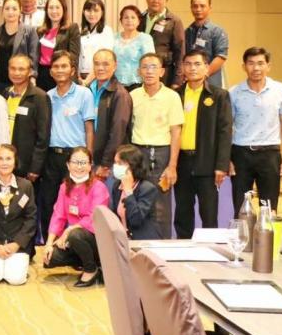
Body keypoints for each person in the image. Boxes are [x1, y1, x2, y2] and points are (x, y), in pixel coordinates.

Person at [174, 50, 232, 238]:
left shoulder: (219, 95)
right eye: (188, 64)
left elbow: (225, 132)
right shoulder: (175, 95)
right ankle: (183, 247)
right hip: (181, 162)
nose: (192, 68)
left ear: (207, 68)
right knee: (182, 213)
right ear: (183, 68)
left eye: (197, 64)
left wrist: (221, 165)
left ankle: (210, 249)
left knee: (208, 213)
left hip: (207, 163)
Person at [229, 47, 282, 213]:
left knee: (269, 208)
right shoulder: (234, 92)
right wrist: (227, 159)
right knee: (241, 209)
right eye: (251, 63)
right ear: (244, 66)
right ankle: (244, 231)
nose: (256, 68)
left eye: (260, 63)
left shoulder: (280, 89)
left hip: (270, 154)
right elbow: (227, 127)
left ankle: (267, 231)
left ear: (268, 66)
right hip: (241, 154)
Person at [40, 51, 96, 240]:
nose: (59, 70)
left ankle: (73, 243)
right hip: (51, 156)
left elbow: (89, 129)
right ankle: (50, 246)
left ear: (72, 70)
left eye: (64, 66)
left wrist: (88, 158)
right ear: (50, 72)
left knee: (76, 204)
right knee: (49, 203)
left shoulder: (84, 94)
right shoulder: (47, 96)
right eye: (55, 66)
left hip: (75, 158)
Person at [130, 53, 184, 239]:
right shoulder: (133, 96)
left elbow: (176, 132)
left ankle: (163, 247)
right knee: (136, 199)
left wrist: (172, 166)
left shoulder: (172, 96)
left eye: (153, 67)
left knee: (160, 205)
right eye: (145, 67)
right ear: (139, 71)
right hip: (137, 153)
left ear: (162, 71)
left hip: (160, 154)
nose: (149, 71)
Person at [43, 146, 109, 288]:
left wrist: (68, 231)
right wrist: (49, 244)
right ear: (68, 165)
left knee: (75, 235)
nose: (79, 167)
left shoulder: (99, 187)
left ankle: (91, 269)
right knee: (50, 258)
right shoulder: (64, 187)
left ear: (90, 166)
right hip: (74, 238)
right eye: (75, 162)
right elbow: (58, 215)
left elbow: (94, 217)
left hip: (95, 238)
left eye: (83, 162)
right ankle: (84, 261)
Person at [0, 144, 37, 284]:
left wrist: (17, 243)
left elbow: (31, 218)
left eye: (9, 158)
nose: (4, 163)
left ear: (15, 161)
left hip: (17, 244)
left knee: (15, 279)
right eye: (0, 158)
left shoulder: (26, 186)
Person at [5, 55, 50, 184]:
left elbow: (43, 136)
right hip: (4, 161)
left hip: (25, 166)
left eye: (21, 69)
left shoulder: (39, 97)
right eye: (13, 68)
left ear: (30, 72)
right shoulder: (5, 93)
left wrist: (35, 168)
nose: (16, 73)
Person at [90, 49, 132, 182]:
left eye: (105, 64)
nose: (100, 68)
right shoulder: (88, 90)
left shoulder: (120, 94)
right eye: (97, 63)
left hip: (109, 163)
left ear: (115, 66)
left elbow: (117, 132)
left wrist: (105, 163)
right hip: (90, 158)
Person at [109, 145, 161, 240]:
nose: (115, 166)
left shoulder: (147, 189)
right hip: (122, 239)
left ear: (132, 165)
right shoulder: (117, 186)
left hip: (142, 240)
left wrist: (129, 191)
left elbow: (136, 219)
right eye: (115, 162)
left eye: (120, 163)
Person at [138, 0, 185, 88]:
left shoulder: (174, 21)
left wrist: (177, 80)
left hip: (165, 75)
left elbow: (180, 52)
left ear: (166, 0)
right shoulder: (139, 19)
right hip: (141, 74)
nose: (155, 0)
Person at [0, 0, 38, 93]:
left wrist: (32, 77)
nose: (10, 12)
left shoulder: (29, 31)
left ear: (20, 10)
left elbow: (33, 56)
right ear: (2, 11)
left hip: (21, 81)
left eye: (14, 9)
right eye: (7, 9)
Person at [36, 0, 81, 92]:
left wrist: (69, 74)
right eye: (51, 8)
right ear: (46, 10)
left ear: (63, 9)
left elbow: (74, 56)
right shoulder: (40, 31)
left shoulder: (72, 28)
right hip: (42, 76)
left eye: (57, 7)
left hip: (61, 73)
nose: (54, 11)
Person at [185, 0, 229, 88]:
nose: (198, 9)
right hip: (190, 83)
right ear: (191, 8)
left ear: (210, 8)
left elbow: (221, 57)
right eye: (195, 6)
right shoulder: (187, 31)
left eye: (202, 6)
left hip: (211, 82)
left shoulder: (217, 31)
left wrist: (204, 74)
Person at [114, 5, 155, 90]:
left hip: (137, 84)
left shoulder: (145, 38)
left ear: (139, 21)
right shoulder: (114, 37)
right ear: (121, 21)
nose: (129, 20)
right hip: (115, 84)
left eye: (133, 17)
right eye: (126, 17)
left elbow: (150, 62)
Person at [78, 0, 115, 84]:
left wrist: (87, 81)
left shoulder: (107, 31)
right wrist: (78, 78)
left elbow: (104, 58)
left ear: (102, 12)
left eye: (96, 10)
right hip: (79, 77)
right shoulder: (79, 30)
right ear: (83, 12)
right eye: (88, 10)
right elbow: (75, 55)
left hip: (98, 76)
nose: (92, 14)